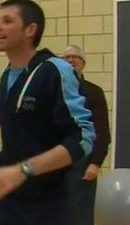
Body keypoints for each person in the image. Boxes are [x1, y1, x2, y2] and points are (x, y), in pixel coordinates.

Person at [0, 1, 96, 225]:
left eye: (7, 21)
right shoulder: (6, 74)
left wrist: (23, 170)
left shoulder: (55, 70)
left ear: (30, 30)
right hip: (7, 196)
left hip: (47, 202)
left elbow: (83, 138)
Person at [63, 45, 111, 225]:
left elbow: (102, 131)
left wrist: (96, 163)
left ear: (83, 63)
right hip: (57, 161)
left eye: (76, 57)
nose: (71, 60)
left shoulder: (94, 92)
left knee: (80, 215)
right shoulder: (54, 90)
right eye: (67, 57)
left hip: (83, 162)